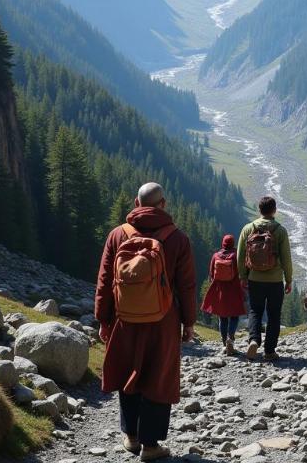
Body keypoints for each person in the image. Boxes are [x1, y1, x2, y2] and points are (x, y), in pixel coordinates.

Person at [95, 182, 196, 462]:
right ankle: (151, 446)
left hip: (124, 318)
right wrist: (188, 322)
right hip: (163, 320)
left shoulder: (118, 235)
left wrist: (103, 319)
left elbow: (104, 281)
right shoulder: (177, 239)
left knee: (127, 370)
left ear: (136, 203)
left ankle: (131, 437)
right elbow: (187, 285)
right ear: (163, 204)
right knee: (158, 376)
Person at [237, 195, 293, 361]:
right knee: (274, 314)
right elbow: (286, 258)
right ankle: (269, 351)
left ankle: (254, 340)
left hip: (255, 279)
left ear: (259, 210)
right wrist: (288, 279)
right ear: (274, 210)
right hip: (275, 280)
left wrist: (243, 276)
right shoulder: (280, 230)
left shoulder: (248, 228)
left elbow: (240, 256)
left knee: (255, 311)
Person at [201, 234, 246, 355]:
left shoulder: (216, 256)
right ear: (233, 243)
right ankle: (230, 338)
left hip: (220, 291)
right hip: (234, 289)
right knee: (234, 316)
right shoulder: (236, 256)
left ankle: (224, 342)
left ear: (223, 243)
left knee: (222, 317)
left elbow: (211, 273)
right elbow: (242, 271)